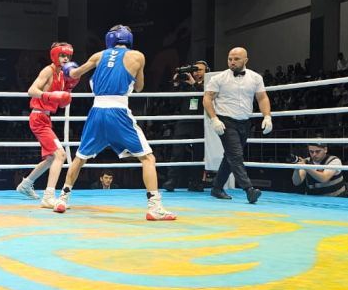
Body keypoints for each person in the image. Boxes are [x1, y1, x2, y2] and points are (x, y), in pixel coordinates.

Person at [55, 25, 175, 220]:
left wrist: (69, 67)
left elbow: (73, 74)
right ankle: (155, 207)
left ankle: (62, 199)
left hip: (96, 112)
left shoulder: (98, 55)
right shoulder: (137, 56)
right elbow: (139, 87)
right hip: (118, 112)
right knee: (148, 158)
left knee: (80, 157)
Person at [203, 47, 272, 204]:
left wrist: (267, 116)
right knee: (236, 155)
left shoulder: (255, 78)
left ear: (245, 60)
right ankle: (249, 190)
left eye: (236, 59)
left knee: (230, 156)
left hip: (245, 122)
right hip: (225, 121)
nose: (232, 62)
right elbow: (207, 98)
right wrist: (214, 119)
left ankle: (217, 188)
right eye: (230, 59)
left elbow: (262, 98)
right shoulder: (219, 78)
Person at [15, 42, 77, 208]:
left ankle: (26, 184)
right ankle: (48, 197)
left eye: (68, 56)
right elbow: (31, 90)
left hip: (46, 118)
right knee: (60, 155)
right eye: (62, 55)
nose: (66, 59)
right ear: (55, 56)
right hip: (38, 117)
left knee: (51, 158)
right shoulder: (48, 71)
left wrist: (68, 90)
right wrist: (49, 96)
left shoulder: (62, 75)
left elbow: (62, 102)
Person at [163, 60, 208, 192]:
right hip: (184, 122)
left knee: (198, 153)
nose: (196, 72)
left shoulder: (209, 84)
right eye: (195, 70)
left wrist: (195, 84)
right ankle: (171, 181)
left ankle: (196, 182)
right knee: (177, 152)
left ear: (206, 72)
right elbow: (173, 103)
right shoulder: (184, 85)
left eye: (200, 70)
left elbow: (207, 98)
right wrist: (176, 84)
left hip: (200, 123)